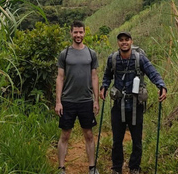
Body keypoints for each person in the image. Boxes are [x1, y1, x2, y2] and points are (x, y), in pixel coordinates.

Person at [100, 32, 167, 174]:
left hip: (136, 105)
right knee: (117, 140)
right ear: (118, 42)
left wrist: (161, 86)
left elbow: (152, 72)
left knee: (137, 140)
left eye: (127, 40)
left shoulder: (139, 59)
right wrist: (104, 87)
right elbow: (107, 75)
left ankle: (134, 168)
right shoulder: (112, 59)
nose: (124, 42)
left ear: (131, 41)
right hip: (118, 105)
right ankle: (116, 168)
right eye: (121, 40)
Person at [55, 20, 100, 174]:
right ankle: (61, 168)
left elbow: (94, 77)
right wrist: (58, 102)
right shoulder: (64, 54)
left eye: (81, 32)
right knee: (65, 134)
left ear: (84, 33)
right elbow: (60, 78)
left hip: (86, 100)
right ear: (71, 33)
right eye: (75, 32)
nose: (78, 35)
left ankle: (92, 167)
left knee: (88, 133)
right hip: (68, 101)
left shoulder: (91, 53)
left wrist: (96, 100)